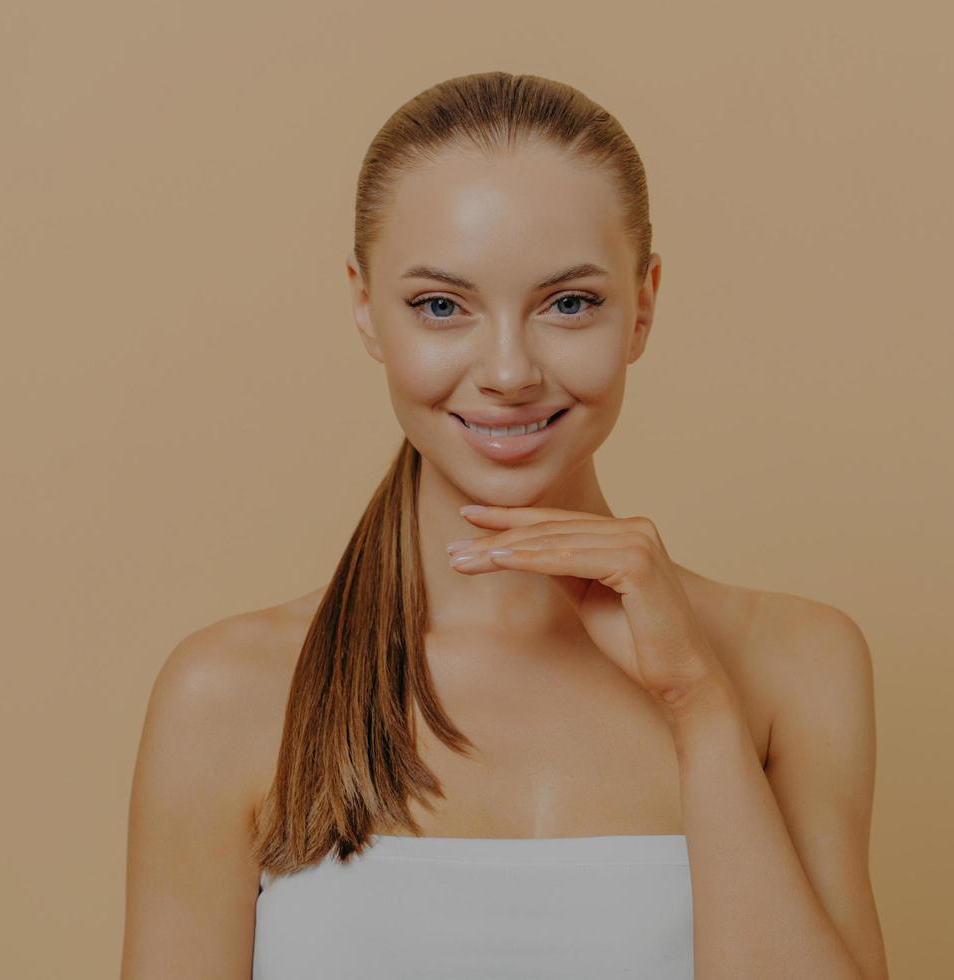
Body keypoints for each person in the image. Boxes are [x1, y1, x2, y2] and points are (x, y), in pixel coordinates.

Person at [121, 70, 888, 979]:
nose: (509, 370)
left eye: (569, 303)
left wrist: (699, 706)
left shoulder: (795, 667)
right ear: (365, 306)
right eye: (441, 306)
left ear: (642, 305)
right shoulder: (228, 695)